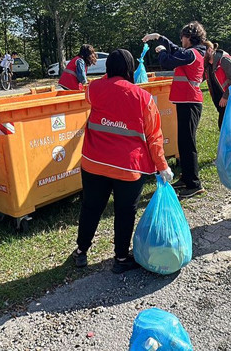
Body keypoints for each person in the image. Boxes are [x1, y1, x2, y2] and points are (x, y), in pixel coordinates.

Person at [71, 49, 173, 274]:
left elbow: (93, 91)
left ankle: (81, 251)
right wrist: (162, 166)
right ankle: (120, 258)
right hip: (127, 168)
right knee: (125, 212)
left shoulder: (94, 89)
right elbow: (154, 136)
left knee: (90, 207)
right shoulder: (143, 98)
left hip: (94, 162)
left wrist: (109, 77)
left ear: (107, 69)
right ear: (130, 69)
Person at [142, 21, 207, 199]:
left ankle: (194, 184)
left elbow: (168, 61)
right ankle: (186, 178)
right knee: (183, 142)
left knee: (188, 143)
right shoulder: (192, 52)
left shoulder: (192, 53)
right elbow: (176, 49)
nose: (181, 41)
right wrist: (158, 37)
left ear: (189, 37)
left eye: (182, 37)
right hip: (186, 101)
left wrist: (162, 51)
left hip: (190, 102)